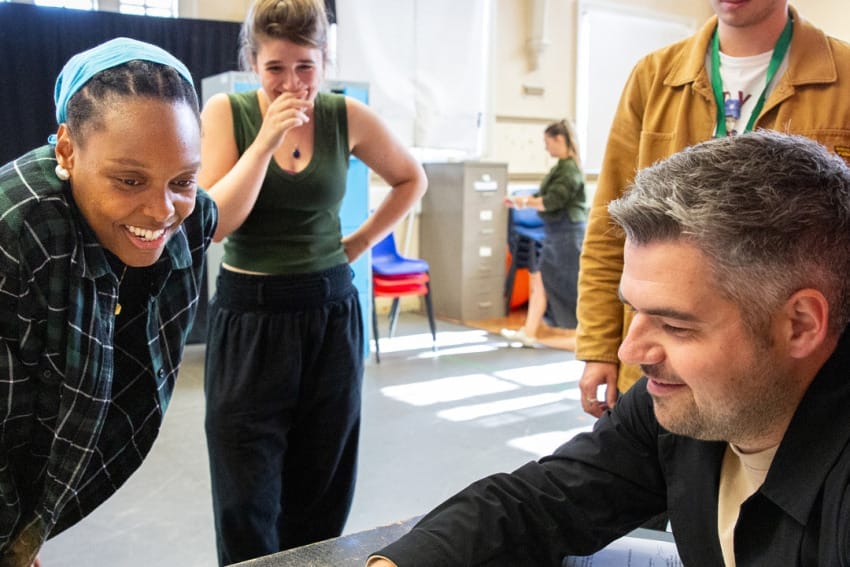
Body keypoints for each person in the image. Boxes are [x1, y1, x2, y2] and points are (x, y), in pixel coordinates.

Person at [366, 131, 850, 567]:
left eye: (675, 325)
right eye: (634, 312)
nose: (631, 351)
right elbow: (541, 502)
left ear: (800, 325)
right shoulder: (679, 403)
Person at [198, 0, 427, 563]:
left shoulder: (344, 117)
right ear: (254, 62)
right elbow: (216, 222)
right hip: (250, 316)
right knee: (244, 496)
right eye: (276, 68)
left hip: (329, 312)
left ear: (324, 61)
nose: (291, 83)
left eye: (305, 66)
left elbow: (409, 178)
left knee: (322, 484)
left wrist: (356, 245)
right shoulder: (227, 113)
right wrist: (265, 143)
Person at [0, 38, 217, 566]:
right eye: (129, 179)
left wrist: (23, 538)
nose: (163, 210)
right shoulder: (18, 233)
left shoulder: (193, 222)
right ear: (67, 150)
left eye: (183, 180)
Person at [576, 0, 850, 418]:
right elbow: (610, 221)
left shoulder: (844, 75)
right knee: (664, 474)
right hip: (669, 355)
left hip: (796, 367)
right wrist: (599, 346)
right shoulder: (654, 76)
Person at [500, 120, 587, 351]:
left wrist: (524, 202)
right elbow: (541, 195)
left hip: (567, 235)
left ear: (559, 139)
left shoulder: (570, 170)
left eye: (548, 142)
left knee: (568, 284)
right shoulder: (560, 168)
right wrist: (521, 201)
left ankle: (585, 335)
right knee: (539, 282)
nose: (546, 148)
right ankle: (529, 332)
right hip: (555, 233)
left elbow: (550, 201)